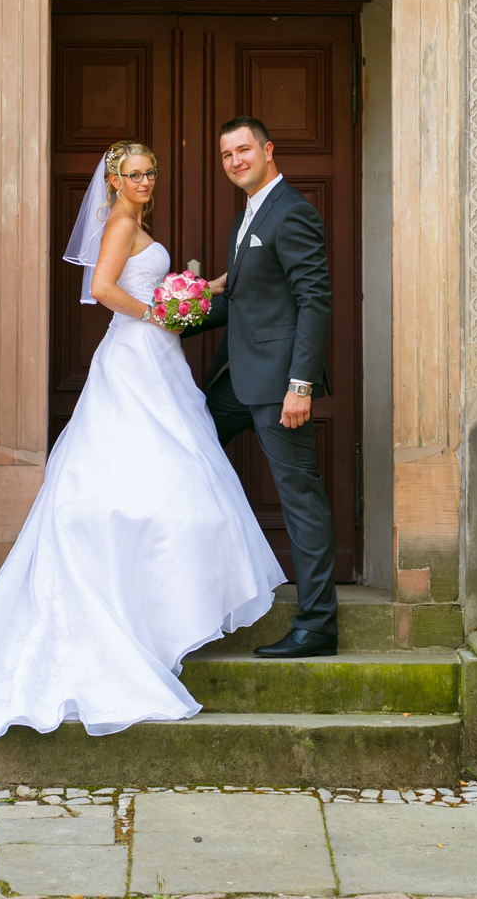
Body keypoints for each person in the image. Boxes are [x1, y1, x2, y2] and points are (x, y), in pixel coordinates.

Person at [0, 141, 283, 746]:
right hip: (135, 356)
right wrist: (158, 312)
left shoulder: (135, 223)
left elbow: (142, 283)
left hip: (158, 356)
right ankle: (143, 616)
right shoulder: (121, 223)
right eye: (133, 174)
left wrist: (201, 290)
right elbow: (102, 288)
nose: (145, 181)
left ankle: (150, 614)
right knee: (146, 474)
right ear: (114, 180)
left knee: (172, 471)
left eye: (150, 173)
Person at [194, 116, 338, 658]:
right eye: (227, 154)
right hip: (235, 381)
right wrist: (172, 314)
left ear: (268, 150)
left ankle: (317, 624)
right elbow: (240, 302)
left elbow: (313, 301)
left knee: (301, 501)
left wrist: (300, 385)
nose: (235, 161)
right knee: (183, 449)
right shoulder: (245, 218)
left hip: (279, 388)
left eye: (244, 150)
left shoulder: (292, 213)